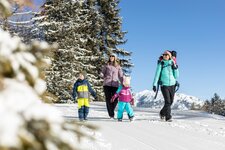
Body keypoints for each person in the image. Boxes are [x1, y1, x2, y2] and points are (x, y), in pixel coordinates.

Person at [152, 50, 179, 122]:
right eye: (164, 55)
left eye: (166, 55)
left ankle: (162, 113)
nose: (165, 56)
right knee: (167, 101)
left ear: (169, 56)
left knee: (171, 102)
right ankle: (168, 117)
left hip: (172, 84)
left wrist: (175, 68)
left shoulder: (172, 63)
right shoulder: (161, 63)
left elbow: (176, 76)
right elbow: (157, 74)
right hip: (164, 85)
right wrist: (154, 84)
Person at [102, 53, 123, 119]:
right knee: (108, 99)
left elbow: (121, 75)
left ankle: (111, 110)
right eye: (110, 56)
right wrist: (101, 75)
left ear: (115, 58)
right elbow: (102, 72)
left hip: (115, 84)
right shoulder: (106, 65)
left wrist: (123, 83)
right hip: (107, 84)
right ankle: (111, 114)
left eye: (112, 56)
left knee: (115, 99)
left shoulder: (118, 66)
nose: (111, 57)